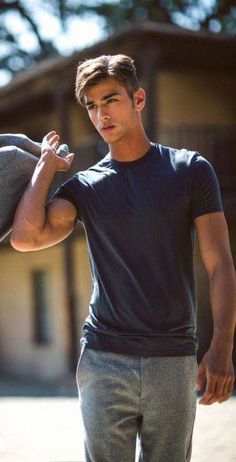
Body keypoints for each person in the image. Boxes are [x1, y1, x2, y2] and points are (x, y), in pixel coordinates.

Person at [10, 54, 236, 462]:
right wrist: (45, 166)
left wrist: (222, 346)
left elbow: (219, 264)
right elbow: (26, 238)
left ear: (139, 99)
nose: (101, 114)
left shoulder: (190, 170)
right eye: (92, 105)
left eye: (110, 99)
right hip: (104, 358)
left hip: (173, 358)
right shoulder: (86, 187)